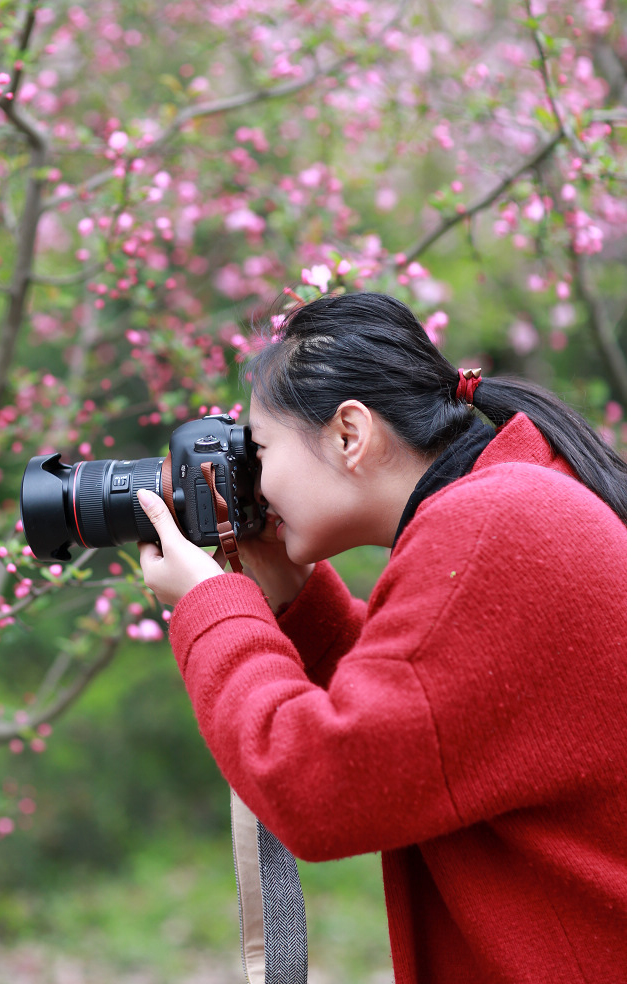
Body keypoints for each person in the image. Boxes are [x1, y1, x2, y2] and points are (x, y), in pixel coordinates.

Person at [137, 291, 627, 984]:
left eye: (262, 450)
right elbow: (431, 721)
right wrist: (297, 600)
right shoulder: (512, 500)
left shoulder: (495, 525)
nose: (255, 482)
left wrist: (214, 606)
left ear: (348, 434)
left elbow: (318, 787)